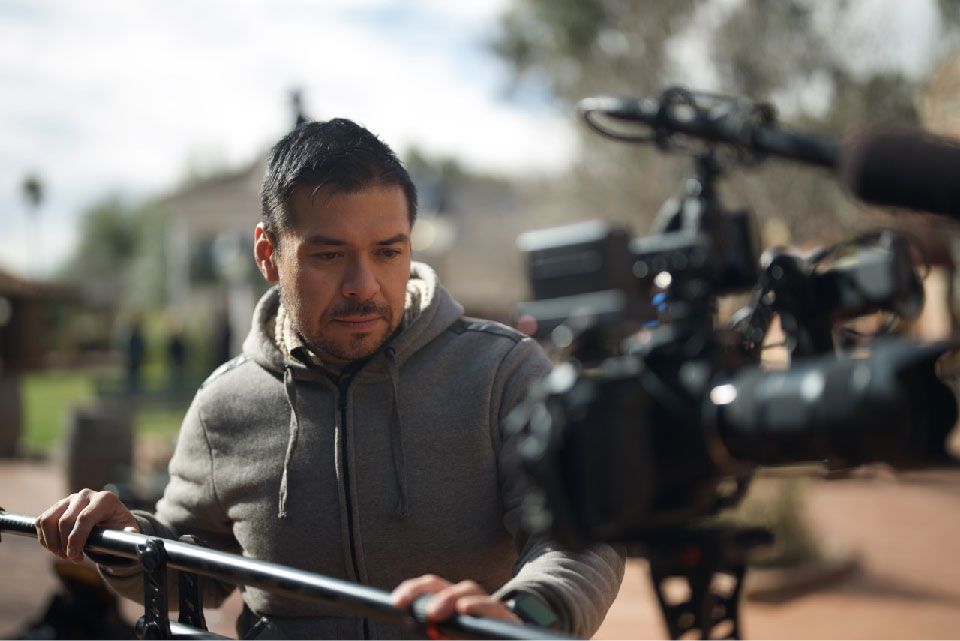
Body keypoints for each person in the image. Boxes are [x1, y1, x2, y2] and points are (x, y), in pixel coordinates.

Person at [35, 119, 624, 639]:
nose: (363, 284)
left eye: (388, 252)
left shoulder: (504, 372)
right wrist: (125, 540)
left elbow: (582, 537)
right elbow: (195, 570)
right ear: (268, 254)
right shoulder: (224, 404)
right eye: (328, 255)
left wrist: (523, 620)